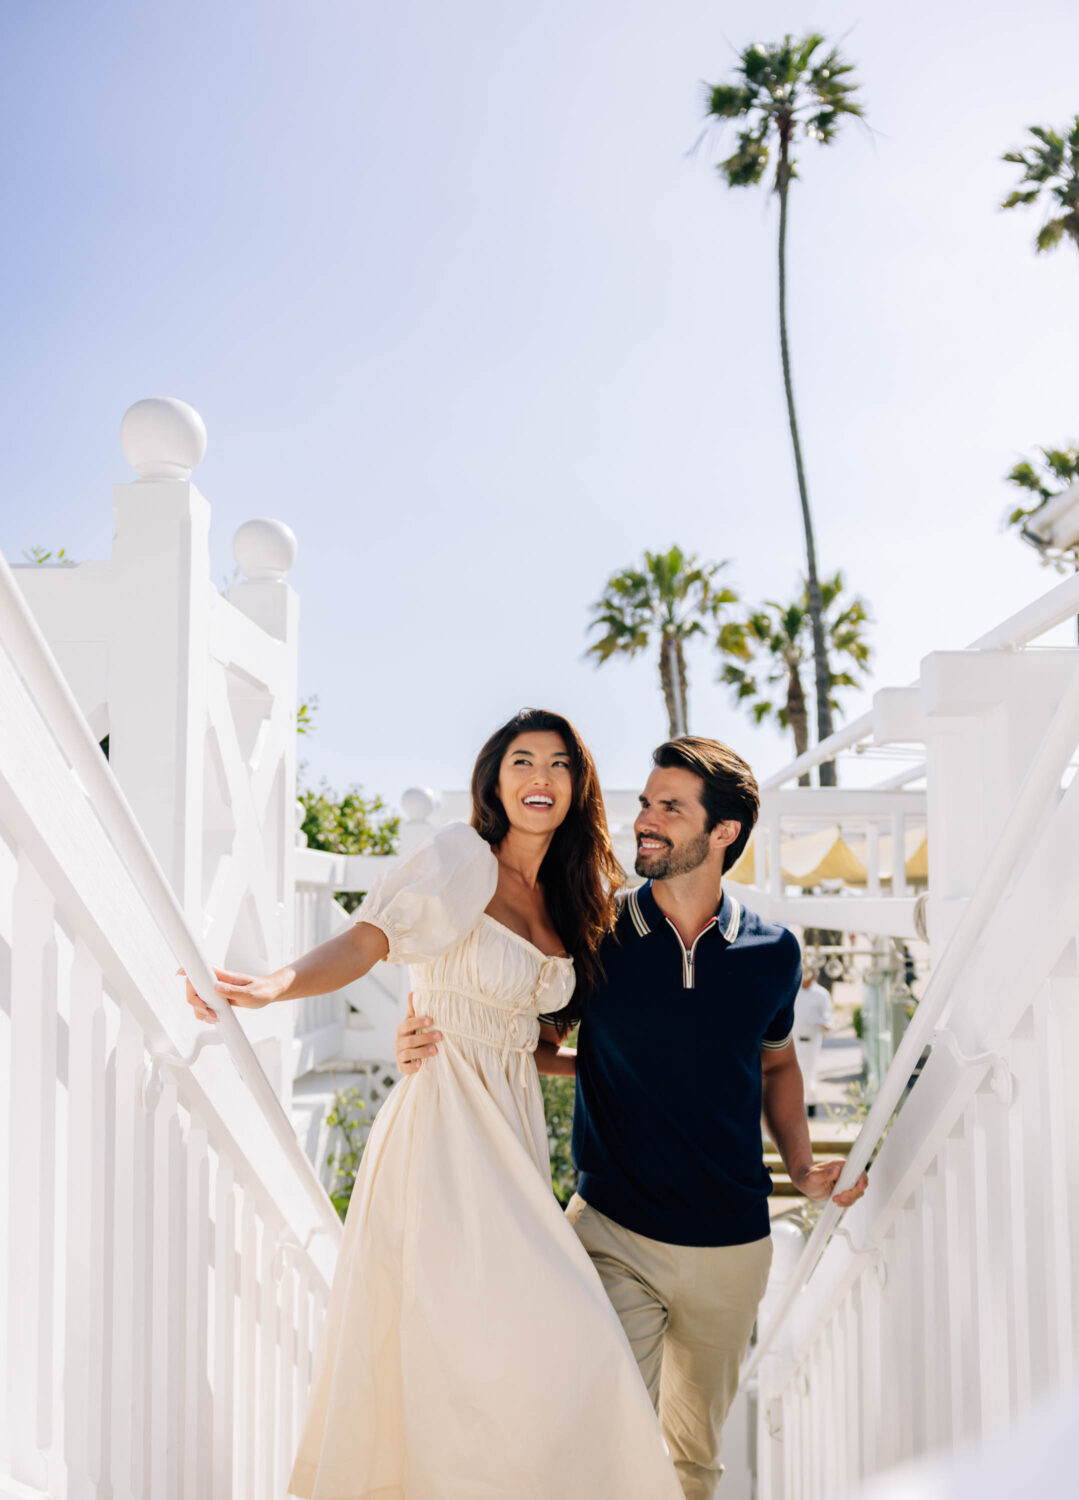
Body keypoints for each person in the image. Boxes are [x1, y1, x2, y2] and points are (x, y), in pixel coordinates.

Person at [183, 708, 684, 1500]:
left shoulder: (577, 896)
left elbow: (537, 1047)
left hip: (513, 1133)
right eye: (521, 761)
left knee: (517, 1345)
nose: (539, 778)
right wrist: (275, 985)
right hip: (443, 1128)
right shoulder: (458, 856)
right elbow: (368, 938)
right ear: (494, 779)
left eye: (558, 764)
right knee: (505, 1334)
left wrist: (646, 1073)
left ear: (577, 785)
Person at [400, 736, 869, 1500]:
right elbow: (527, 1038)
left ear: (722, 833)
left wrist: (799, 1160)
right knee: (589, 1436)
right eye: (646, 803)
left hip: (732, 1244)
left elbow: (776, 1061)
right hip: (612, 1232)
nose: (644, 821)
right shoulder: (596, 932)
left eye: (669, 809)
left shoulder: (772, 952)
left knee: (694, 1460)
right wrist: (431, 1035)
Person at [793, 964, 834, 1118]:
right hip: (793, 1039)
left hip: (811, 1040)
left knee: (809, 1074)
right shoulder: (793, 991)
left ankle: (811, 1105)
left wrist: (820, 1023)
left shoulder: (821, 994)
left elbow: (828, 1020)